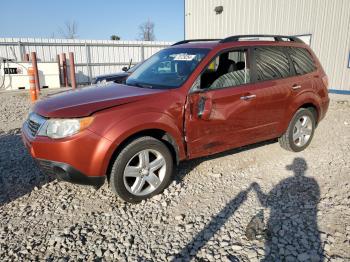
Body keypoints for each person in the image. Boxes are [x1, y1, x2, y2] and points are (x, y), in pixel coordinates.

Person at [251, 158, 323, 261]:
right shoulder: (312, 182)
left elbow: (265, 203)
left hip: (299, 222)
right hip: (307, 225)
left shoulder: (293, 182)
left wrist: (258, 191)